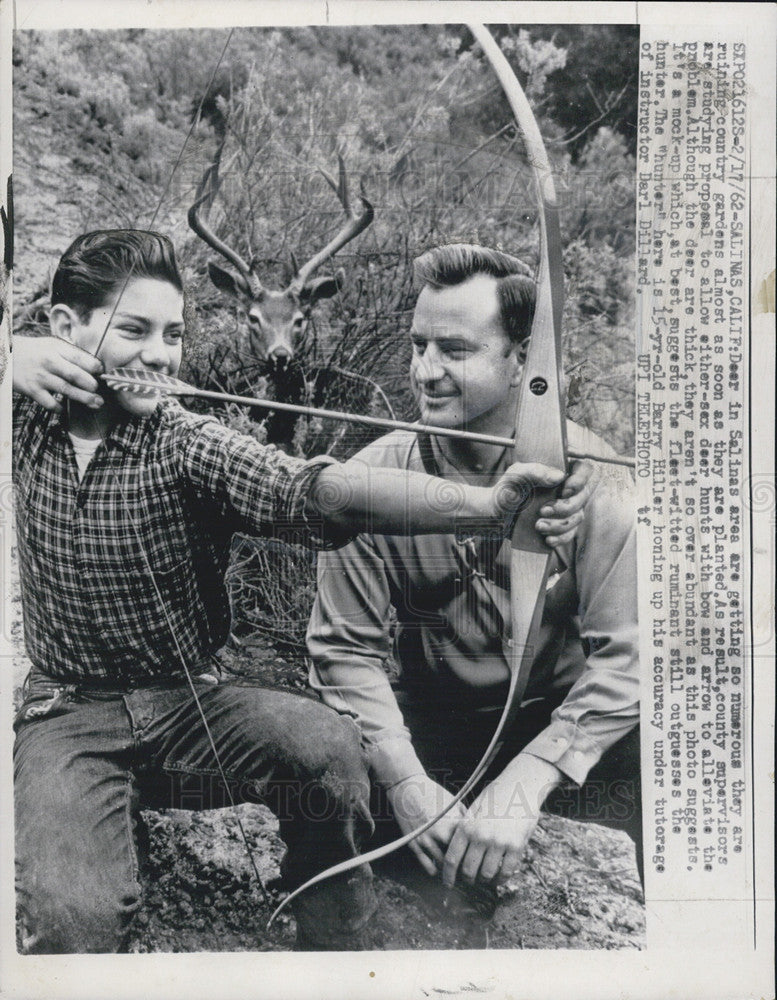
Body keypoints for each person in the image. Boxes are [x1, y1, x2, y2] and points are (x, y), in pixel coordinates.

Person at [11, 230, 591, 953]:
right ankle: (98, 815)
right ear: (66, 329)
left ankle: (331, 941)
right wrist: (12, 353)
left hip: (189, 703)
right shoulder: (23, 420)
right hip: (68, 715)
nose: (159, 356)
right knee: (75, 922)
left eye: (174, 334)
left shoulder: (185, 440)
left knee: (327, 749)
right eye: (133, 330)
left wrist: (484, 509)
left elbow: (318, 493)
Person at [307, 244, 640, 932]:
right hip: (428, 741)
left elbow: (627, 657)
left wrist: (530, 776)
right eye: (417, 345)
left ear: (522, 357)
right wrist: (402, 781)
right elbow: (344, 654)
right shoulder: (372, 477)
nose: (424, 371)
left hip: (558, 733)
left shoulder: (597, 478)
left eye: (453, 350)